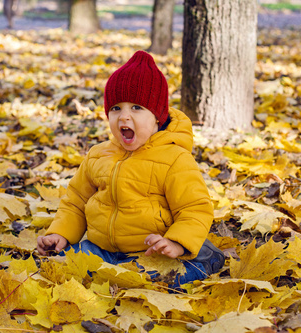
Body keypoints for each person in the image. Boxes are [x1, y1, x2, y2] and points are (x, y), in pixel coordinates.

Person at [37, 50, 224, 287]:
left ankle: (204, 258)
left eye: (136, 107)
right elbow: (76, 202)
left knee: (159, 279)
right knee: (61, 268)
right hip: (102, 248)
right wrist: (60, 234)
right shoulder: (98, 154)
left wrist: (176, 243)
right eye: (116, 108)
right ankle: (110, 272)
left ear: (157, 117)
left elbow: (194, 208)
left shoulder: (174, 158)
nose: (124, 116)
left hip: (151, 254)